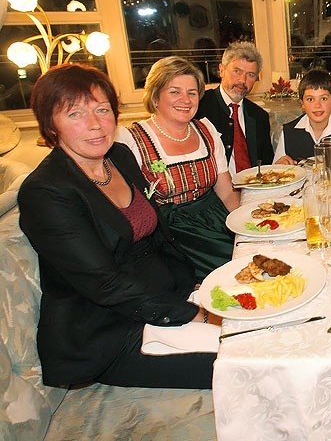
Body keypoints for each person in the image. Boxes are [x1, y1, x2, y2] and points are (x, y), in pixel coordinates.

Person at [18, 64, 217, 390]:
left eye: (102, 109)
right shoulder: (46, 191)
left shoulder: (120, 157)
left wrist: (194, 290)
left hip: (164, 300)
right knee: (247, 362)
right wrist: (197, 314)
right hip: (111, 333)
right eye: (75, 114)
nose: (95, 124)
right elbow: (105, 285)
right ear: (50, 124)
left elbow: (157, 239)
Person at [117, 56, 239, 279]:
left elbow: (227, 192)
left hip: (216, 222)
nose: (185, 100)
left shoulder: (207, 130)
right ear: (155, 96)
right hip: (171, 237)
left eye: (192, 93)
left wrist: (245, 227)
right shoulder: (131, 140)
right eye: (175, 92)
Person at [195, 41, 274, 176]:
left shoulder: (259, 116)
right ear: (221, 70)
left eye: (250, 75)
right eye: (237, 71)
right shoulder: (199, 108)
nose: (242, 80)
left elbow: (266, 165)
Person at [274, 69, 331, 164]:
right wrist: (279, 166)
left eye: (323, 98)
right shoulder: (288, 133)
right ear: (302, 104)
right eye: (310, 99)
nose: (317, 105)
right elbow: (276, 168)